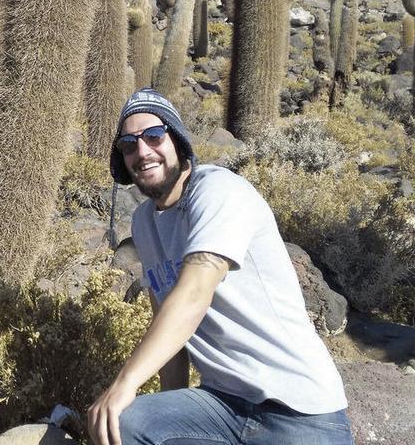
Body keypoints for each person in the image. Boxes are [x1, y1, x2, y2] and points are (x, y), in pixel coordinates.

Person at [86, 88, 352, 445]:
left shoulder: (218, 191)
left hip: (298, 413)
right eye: (129, 144)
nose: (142, 151)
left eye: (153, 136)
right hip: (223, 407)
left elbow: (194, 292)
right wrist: (167, 406)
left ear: (177, 140)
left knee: (120, 402)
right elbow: (168, 322)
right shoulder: (144, 223)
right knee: (124, 423)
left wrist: (125, 383)